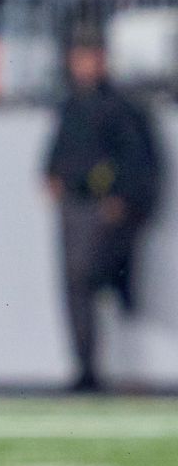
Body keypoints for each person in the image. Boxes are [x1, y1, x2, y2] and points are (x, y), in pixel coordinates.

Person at [44, 24, 161, 393]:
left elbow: (138, 159)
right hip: (73, 205)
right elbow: (58, 151)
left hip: (102, 208)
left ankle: (104, 367)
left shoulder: (119, 106)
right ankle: (85, 367)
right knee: (75, 286)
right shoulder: (72, 103)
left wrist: (122, 200)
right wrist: (51, 176)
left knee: (97, 279)